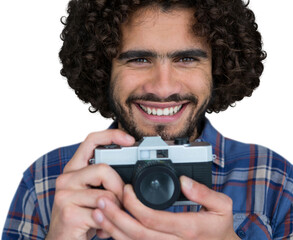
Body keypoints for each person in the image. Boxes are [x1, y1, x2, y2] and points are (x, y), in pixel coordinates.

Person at [2, 0, 293, 239]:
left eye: (187, 59)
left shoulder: (275, 180)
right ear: (103, 67)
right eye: (139, 59)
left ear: (217, 68)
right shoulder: (46, 182)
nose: (163, 87)